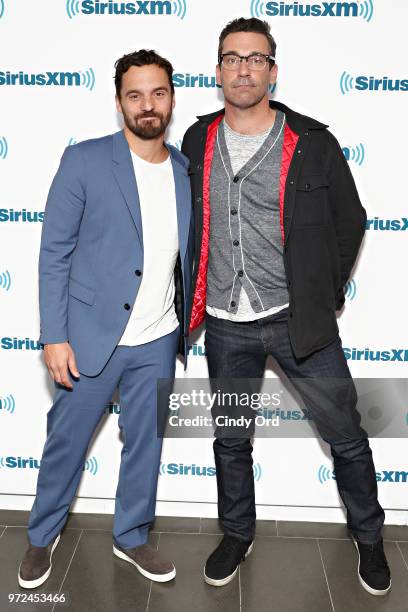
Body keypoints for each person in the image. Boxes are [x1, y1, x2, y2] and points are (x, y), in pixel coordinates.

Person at [182, 17, 391, 596]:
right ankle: (236, 534)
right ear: (218, 69)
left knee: (346, 435)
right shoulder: (197, 139)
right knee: (230, 440)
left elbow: (352, 220)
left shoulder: (312, 140)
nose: (243, 68)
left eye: (255, 58)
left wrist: (323, 295)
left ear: (273, 71)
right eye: (232, 58)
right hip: (226, 326)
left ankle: (370, 540)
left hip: (300, 324)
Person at [18, 49, 194, 588]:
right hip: (92, 338)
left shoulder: (185, 168)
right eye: (135, 94)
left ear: (171, 98)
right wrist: (55, 336)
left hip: (158, 337)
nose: (148, 105)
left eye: (158, 93)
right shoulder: (85, 160)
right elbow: (54, 253)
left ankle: (132, 535)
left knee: (146, 442)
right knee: (66, 442)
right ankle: (40, 538)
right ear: (119, 102)